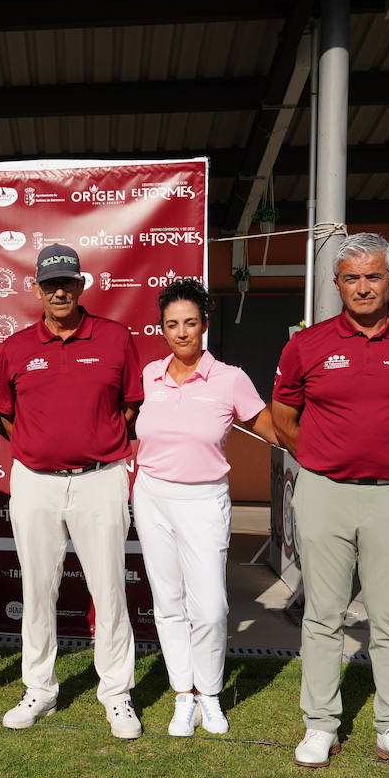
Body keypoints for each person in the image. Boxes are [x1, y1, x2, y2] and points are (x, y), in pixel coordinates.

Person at [272, 232, 389, 778]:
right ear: (336, 285)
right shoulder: (306, 345)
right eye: (350, 278)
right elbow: (283, 413)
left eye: (373, 276)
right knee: (323, 615)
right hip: (324, 492)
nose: (362, 287)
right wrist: (321, 461)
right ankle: (321, 725)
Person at [0, 244, 144, 739]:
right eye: (50, 284)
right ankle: (39, 688)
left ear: (82, 287)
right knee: (37, 590)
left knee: (110, 591)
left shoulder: (116, 338)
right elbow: (6, 417)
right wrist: (42, 450)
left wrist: (94, 446)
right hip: (35, 481)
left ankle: (116, 694)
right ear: (36, 289)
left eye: (68, 283)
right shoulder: (15, 348)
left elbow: (130, 407)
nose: (59, 291)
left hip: (101, 479)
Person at [132, 279, 275, 737]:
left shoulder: (230, 379)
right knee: (168, 602)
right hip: (152, 495)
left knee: (210, 607)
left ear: (205, 326)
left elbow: (273, 428)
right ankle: (183, 696)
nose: (181, 332)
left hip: (204, 498)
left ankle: (210, 695)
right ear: (162, 329)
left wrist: (324, 451)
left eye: (190, 323)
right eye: (172, 324)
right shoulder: (149, 376)